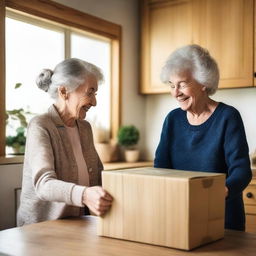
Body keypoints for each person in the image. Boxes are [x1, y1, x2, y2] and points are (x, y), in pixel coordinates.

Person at [154, 44, 252, 231]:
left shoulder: (227, 117)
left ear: (203, 82)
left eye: (182, 84)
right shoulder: (173, 119)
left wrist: (219, 192)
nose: (176, 92)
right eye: (172, 85)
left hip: (222, 216)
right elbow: (161, 168)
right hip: (180, 214)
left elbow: (241, 170)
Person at [17, 58, 113, 226]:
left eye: (95, 94)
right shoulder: (41, 126)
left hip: (79, 223)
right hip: (41, 229)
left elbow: (98, 176)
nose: (94, 102)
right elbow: (44, 184)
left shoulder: (85, 128)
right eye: (89, 92)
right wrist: (84, 195)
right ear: (64, 92)